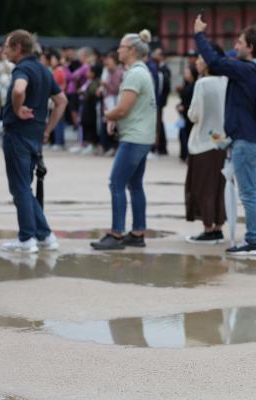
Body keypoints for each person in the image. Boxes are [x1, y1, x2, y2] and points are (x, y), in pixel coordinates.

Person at [194, 16, 256, 256]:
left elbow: (215, 63)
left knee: (248, 193)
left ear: (250, 47)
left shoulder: (244, 70)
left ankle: (254, 240)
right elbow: (224, 58)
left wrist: (199, 35)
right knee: (254, 191)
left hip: (246, 141)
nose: (236, 45)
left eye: (240, 42)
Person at [1, 29, 67, 253]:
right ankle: (44, 235)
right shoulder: (43, 69)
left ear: (19, 48)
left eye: (7, 47)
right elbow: (61, 101)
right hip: (34, 134)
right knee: (24, 187)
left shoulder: (23, 68)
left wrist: (17, 109)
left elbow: (19, 89)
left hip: (18, 133)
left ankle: (27, 237)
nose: (4, 51)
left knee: (20, 187)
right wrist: (47, 129)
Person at [91, 30, 157, 251]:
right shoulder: (141, 71)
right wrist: (116, 118)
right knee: (134, 185)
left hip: (134, 138)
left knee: (116, 183)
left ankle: (116, 233)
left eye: (121, 46)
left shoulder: (135, 74)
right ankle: (137, 232)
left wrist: (109, 115)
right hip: (143, 136)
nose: (118, 50)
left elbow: (123, 108)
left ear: (132, 50)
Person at [184, 46, 228, 244]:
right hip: (220, 141)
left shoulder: (202, 84)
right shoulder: (226, 81)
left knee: (202, 187)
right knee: (217, 186)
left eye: (201, 58)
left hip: (203, 141)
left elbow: (194, 114)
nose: (198, 62)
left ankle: (208, 228)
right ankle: (218, 225)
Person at [78, 63, 102, 155]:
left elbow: (92, 94)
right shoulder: (89, 81)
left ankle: (93, 145)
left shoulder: (95, 82)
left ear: (94, 73)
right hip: (86, 106)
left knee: (91, 125)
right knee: (85, 124)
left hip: (91, 108)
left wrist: (83, 93)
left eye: (89, 71)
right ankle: (87, 144)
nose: (87, 73)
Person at [178, 64, 198, 161]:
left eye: (187, 73)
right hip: (185, 114)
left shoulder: (195, 85)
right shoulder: (187, 84)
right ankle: (185, 154)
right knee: (183, 134)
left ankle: (189, 155)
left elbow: (192, 102)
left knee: (188, 135)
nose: (185, 74)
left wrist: (184, 107)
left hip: (190, 114)